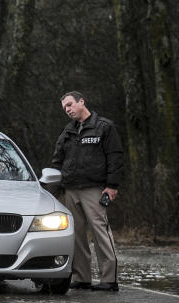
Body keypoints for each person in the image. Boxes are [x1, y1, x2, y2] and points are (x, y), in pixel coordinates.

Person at [50, 91, 124, 291]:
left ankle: (109, 279)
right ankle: (82, 277)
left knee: (101, 232)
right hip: (70, 189)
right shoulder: (68, 131)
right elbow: (57, 160)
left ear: (81, 102)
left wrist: (112, 186)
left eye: (70, 104)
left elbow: (115, 157)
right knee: (76, 234)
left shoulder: (104, 127)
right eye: (65, 107)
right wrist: (54, 188)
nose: (68, 109)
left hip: (95, 189)